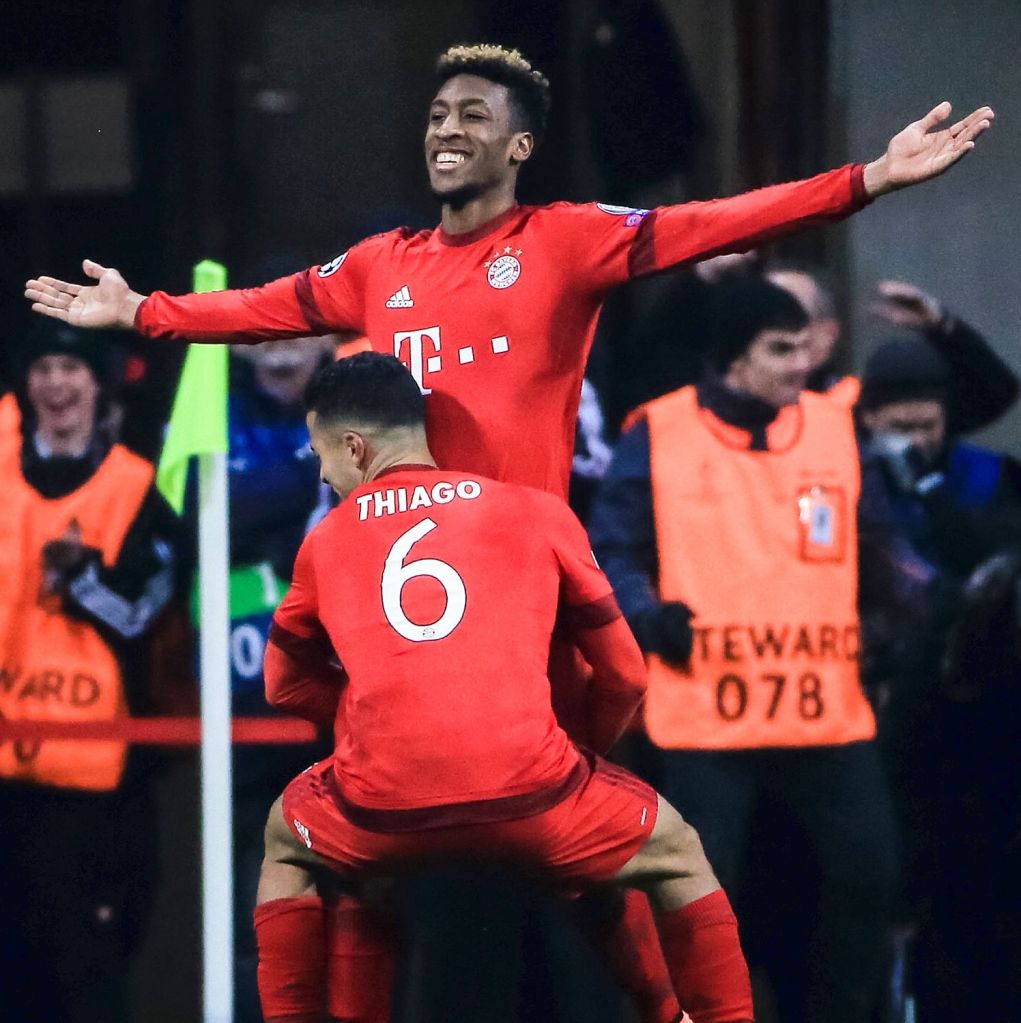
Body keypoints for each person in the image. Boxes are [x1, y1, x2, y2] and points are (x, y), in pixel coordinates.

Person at [23, 41, 991, 1017]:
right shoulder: (379, 268)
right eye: (438, 114)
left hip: (529, 616)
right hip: (414, 627)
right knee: (426, 891)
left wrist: (865, 181)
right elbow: (264, 309)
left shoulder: (564, 243)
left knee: (569, 884)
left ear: (521, 144)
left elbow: (707, 224)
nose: (447, 129)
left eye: (474, 116)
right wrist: (145, 312)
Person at [253, 352, 753, 1023]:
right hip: (535, 790)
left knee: (288, 841)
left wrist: (371, 716)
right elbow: (626, 673)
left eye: (320, 454)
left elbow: (282, 686)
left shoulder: (326, 539)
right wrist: (582, 758)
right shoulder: (537, 511)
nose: (322, 473)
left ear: (354, 446)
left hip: (381, 807)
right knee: (675, 854)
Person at [588, 277, 900, 1023]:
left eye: (803, 347)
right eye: (781, 350)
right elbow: (610, 546)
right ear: (734, 360)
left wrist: (902, 618)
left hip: (822, 712)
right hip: (709, 716)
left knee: (870, 877)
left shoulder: (832, 426)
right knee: (699, 893)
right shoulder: (658, 431)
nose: (802, 364)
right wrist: (644, 613)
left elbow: (884, 548)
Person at [0, 321, 179, 1023]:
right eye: (41, 367)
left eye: (71, 369)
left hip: (98, 781)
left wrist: (84, 584)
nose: (56, 383)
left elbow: (149, 610)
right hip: (5, 775)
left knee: (90, 967)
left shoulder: (138, 486)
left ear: (99, 385)